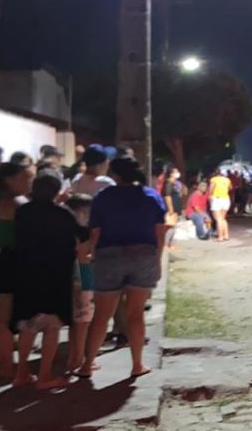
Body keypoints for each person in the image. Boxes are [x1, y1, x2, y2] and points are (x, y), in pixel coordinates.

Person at [79, 157, 164, 378]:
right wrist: (157, 258)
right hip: (143, 255)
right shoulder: (151, 196)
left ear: (115, 175)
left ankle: (87, 365)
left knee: (102, 316)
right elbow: (159, 232)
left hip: (110, 255)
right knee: (136, 314)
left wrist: (94, 255)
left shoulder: (103, 197)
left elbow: (95, 232)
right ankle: (137, 365)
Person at [11, 173, 83, 389]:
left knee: (27, 325)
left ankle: (22, 373)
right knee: (52, 326)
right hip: (55, 275)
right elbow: (81, 234)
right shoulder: (63, 213)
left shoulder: (23, 211)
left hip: (26, 273)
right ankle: (44, 376)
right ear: (56, 190)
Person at [0, 162, 34, 378]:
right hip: (12, 262)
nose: (29, 183)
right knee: (5, 316)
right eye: (25, 179)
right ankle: (8, 365)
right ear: (9, 180)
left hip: (2, 260)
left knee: (1, 314)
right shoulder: (15, 202)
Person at [64, 193, 95, 374]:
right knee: (83, 320)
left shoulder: (65, 230)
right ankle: (78, 359)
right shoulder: (84, 233)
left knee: (76, 321)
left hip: (71, 275)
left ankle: (74, 356)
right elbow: (85, 257)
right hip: (84, 275)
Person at [208, 170, 232, 241]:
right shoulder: (227, 179)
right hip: (226, 199)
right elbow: (230, 188)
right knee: (223, 218)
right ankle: (226, 235)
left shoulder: (214, 179)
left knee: (218, 219)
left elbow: (211, 189)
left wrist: (210, 196)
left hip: (217, 199)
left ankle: (220, 236)